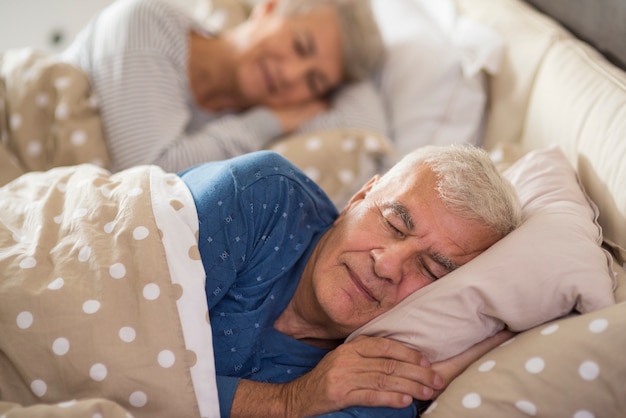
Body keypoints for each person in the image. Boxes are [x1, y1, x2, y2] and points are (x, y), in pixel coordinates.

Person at [178, 144, 522, 417]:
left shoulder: (379, 381)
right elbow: (127, 348)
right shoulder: (262, 196)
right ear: (360, 196)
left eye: (431, 270)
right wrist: (287, 403)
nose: (387, 265)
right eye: (393, 224)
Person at [60, 0, 387, 173]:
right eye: (300, 46)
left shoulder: (239, 117)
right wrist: (272, 120)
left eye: (313, 81)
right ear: (270, 7)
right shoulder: (147, 23)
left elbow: (369, 136)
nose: (291, 75)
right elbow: (151, 175)